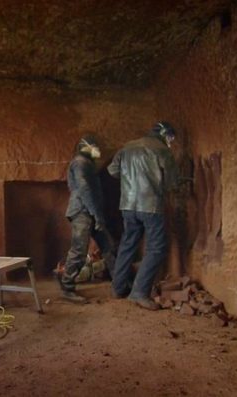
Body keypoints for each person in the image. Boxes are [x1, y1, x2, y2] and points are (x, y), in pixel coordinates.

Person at [107, 121, 178, 310]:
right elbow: (172, 183)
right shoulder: (162, 149)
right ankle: (139, 292)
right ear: (164, 134)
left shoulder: (127, 147)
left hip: (128, 205)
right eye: (170, 137)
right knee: (156, 248)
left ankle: (118, 287)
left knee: (128, 244)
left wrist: (131, 180)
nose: (170, 142)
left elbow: (112, 170)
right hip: (150, 205)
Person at [59, 134, 116, 303]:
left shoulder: (86, 164)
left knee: (108, 246)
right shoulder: (80, 162)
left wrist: (97, 214)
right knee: (79, 251)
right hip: (82, 213)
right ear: (86, 148)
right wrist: (97, 215)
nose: (98, 150)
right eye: (95, 147)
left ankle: (120, 282)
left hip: (89, 212)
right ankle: (67, 287)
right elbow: (84, 190)